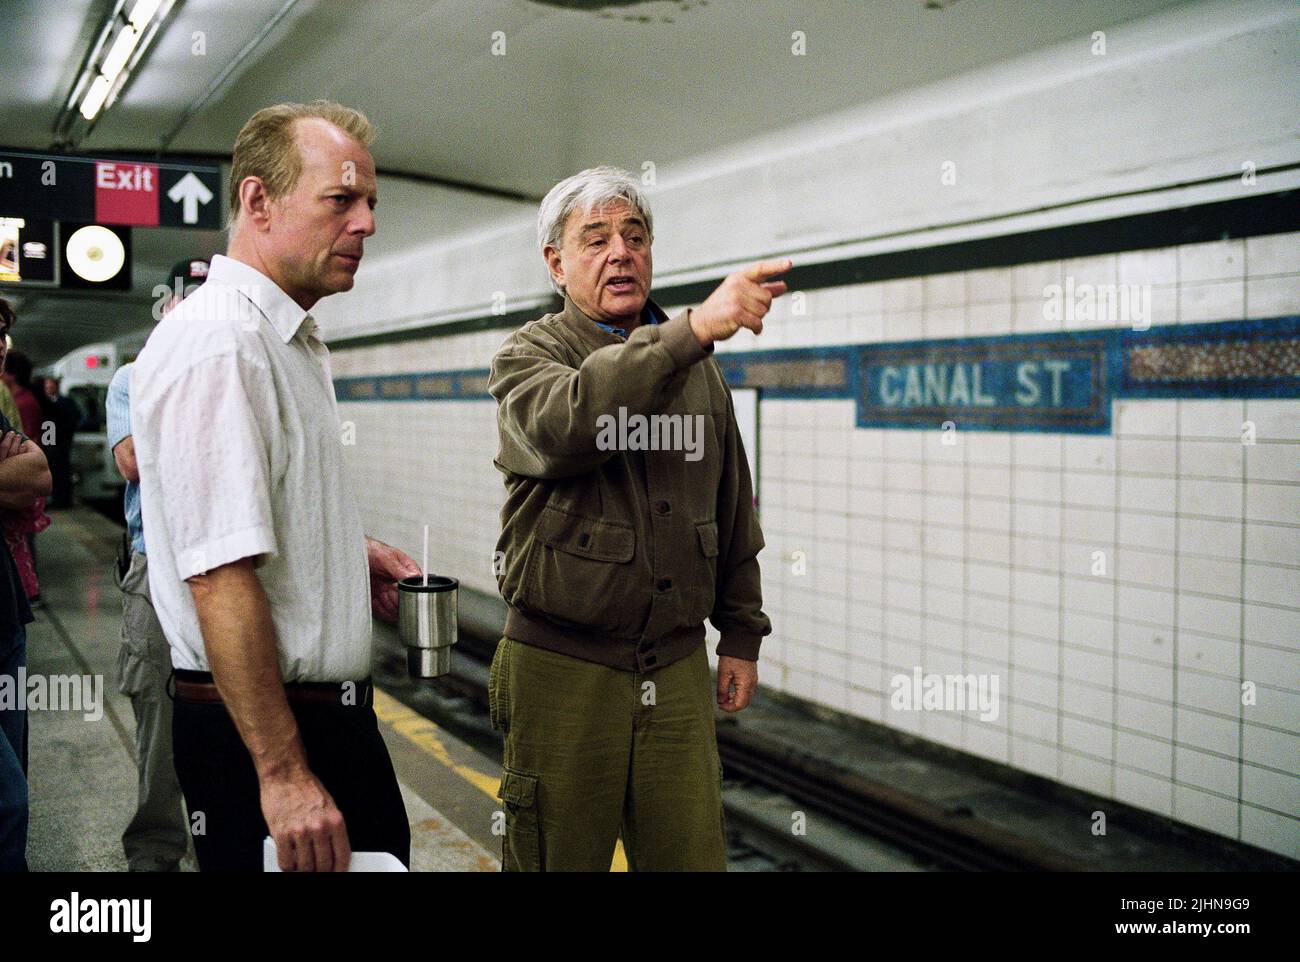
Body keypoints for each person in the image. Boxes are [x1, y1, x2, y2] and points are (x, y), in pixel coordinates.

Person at [131, 101, 420, 872]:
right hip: (268, 735)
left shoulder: (283, 337)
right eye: (341, 200)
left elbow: (249, 522)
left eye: (371, 204)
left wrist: (341, 555)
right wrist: (285, 775)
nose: (366, 224)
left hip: (320, 724)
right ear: (257, 200)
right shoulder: (221, 344)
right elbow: (219, 577)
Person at [486, 166, 789, 871]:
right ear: (555, 263)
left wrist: (741, 631)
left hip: (676, 668)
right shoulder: (530, 356)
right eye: (595, 240)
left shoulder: (699, 371)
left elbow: (731, 501)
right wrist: (691, 331)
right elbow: (572, 423)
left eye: (635, 236)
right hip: (562, 669)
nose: (621, 252)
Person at [105, 257, 209, 871]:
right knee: (159, 721)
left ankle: (221, 844)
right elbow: (133, 461)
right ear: (165, 307)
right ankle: (154, 855)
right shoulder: (132, 377)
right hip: (156, 568)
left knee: (226, 714)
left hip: (224, 563)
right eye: (185, 299)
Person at [0, 297, 53, 872]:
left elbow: (36, 475)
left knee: (17, 767)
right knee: (6, 799)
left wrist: (16, 471)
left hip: (7, 619)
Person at [40, 378, 81, 509]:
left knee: (62, 470)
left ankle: (62, 498)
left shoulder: (66, 402)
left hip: (62, 441)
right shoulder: (42, 402)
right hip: (48, 440)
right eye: (47, 386)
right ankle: (52, 497)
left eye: (51, 386)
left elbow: (73, 418)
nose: (49, 389)